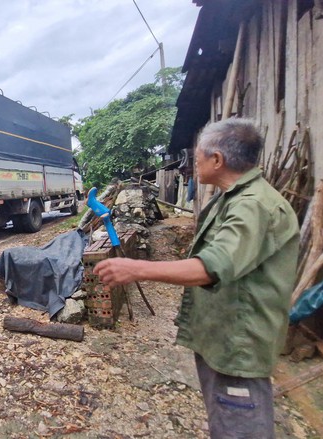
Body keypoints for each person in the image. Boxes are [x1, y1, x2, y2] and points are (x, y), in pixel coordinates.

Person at [94, 118, 299, 438]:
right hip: (224, 337)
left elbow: (209, 267)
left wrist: (136, 268)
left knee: (238, 428)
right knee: (225, 419)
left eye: (198, 154)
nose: (193, 162)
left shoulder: (253, 206)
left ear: (217, 159)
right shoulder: (232, 199)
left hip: (237, 345)